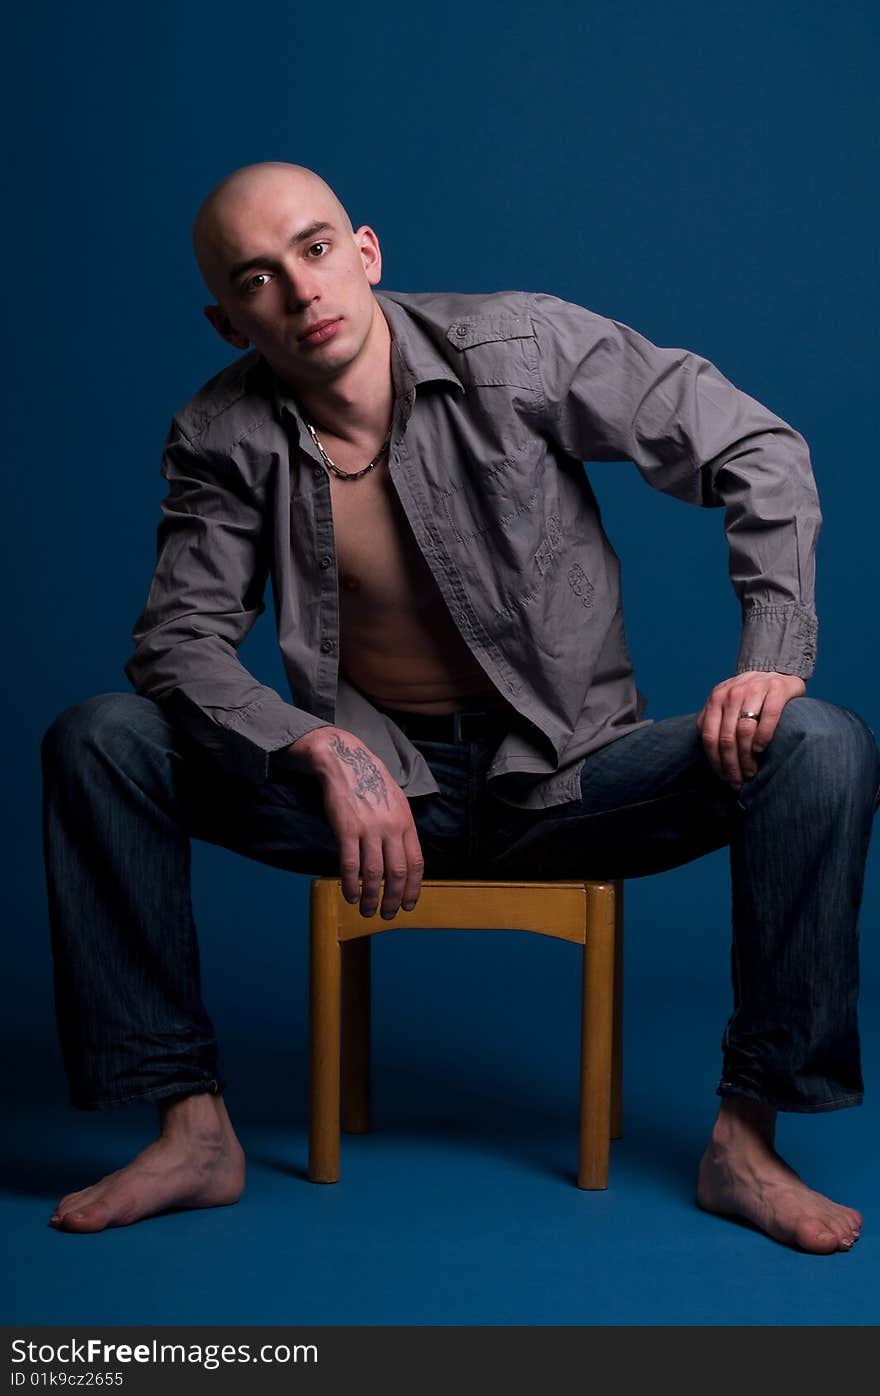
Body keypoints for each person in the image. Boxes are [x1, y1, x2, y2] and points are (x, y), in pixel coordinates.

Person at [41, 161, 880, 1251]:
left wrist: (771, 655)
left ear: (366, 252)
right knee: (100, 739)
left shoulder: (519, 349)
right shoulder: (222, 434)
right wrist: (322, 748)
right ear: (226, 320)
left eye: (315, 247)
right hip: (376, 799)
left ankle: (746, 1139)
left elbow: (753, 447)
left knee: (818, 742)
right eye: (257, 278)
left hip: (576, 780)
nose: (300, 291)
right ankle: (190, 1127)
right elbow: (178, 642)